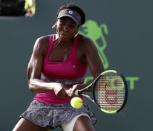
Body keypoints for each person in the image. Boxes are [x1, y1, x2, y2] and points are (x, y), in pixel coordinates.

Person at [13, 3, 104, 131]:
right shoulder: (42, 43)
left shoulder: (85, 45)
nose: (65, 28)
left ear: (77, 29)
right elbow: (32, 83)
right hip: (42, 105)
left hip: (73, 107)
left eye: (71, 25)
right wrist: (54, 86)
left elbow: (102, 80)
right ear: (56, 22)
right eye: (62, 22)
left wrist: (81, 87)